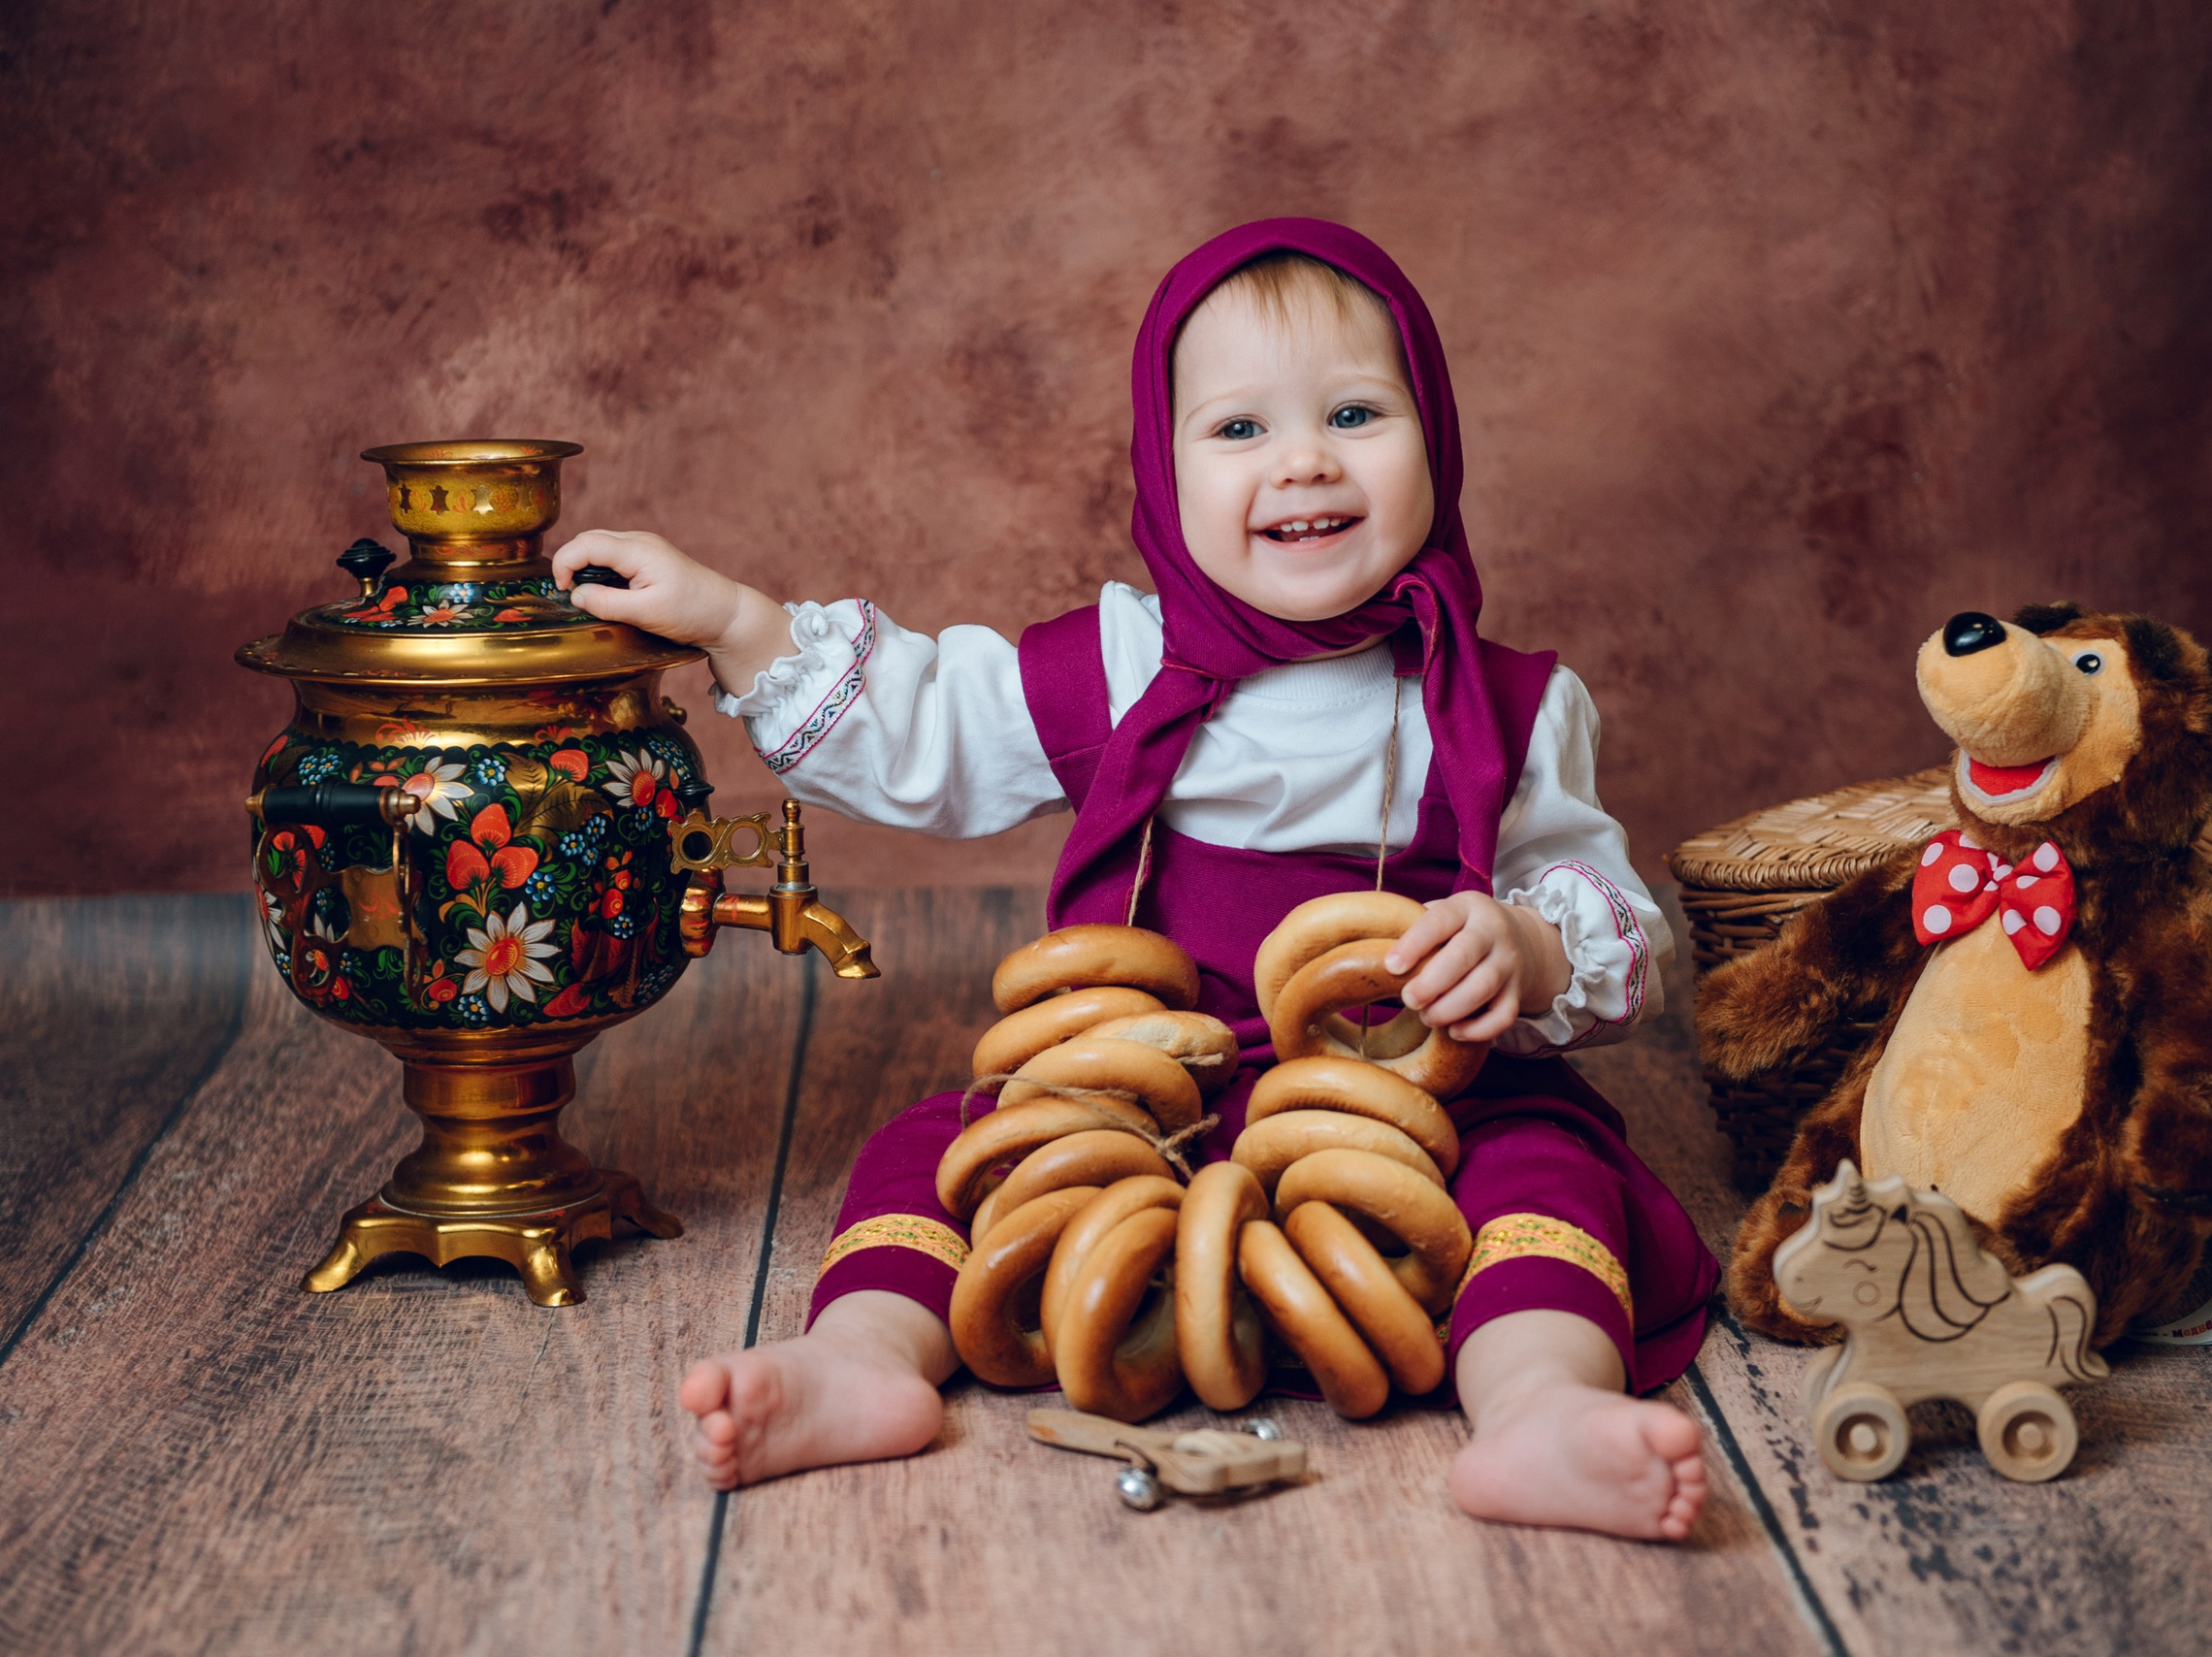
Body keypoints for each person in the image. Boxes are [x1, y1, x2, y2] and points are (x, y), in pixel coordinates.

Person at [553, 219, 1719, 1541]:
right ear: (1164, 470)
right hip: (1143, 1085)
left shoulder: (1510, 703)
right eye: (1239, 429)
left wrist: (1529, 946)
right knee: (939, 1151)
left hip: (1416, 1101)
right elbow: (925, 728)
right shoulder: (1125, 666)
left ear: (1435, 441)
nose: (1304, 461)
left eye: (1354, 414)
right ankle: (861, 1362)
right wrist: (733, 620)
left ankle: (1540, 1411)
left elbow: (1607, 914)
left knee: (1545, 1178)